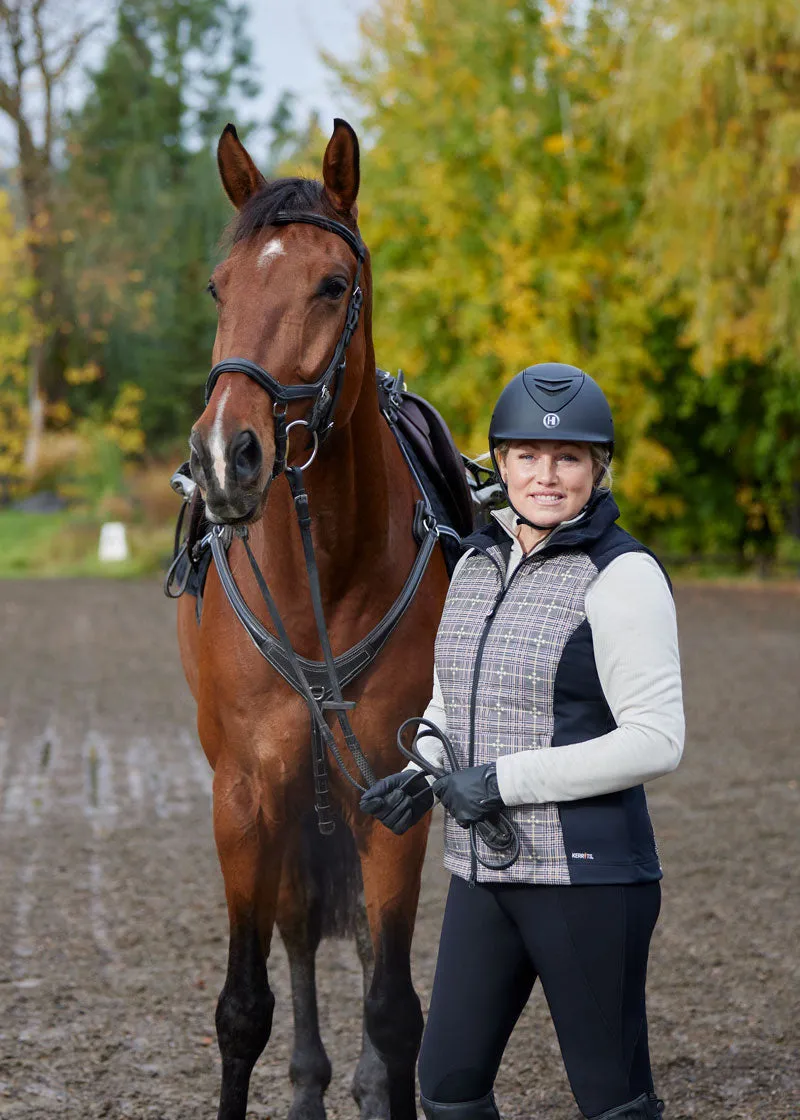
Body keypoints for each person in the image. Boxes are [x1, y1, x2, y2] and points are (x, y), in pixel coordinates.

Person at [360, 363, 685, 1120]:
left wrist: (501, 782)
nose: (546, 476)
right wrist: (422, 771)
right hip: (486, 873)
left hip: (590, 879)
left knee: (611, 1100)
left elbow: (657, 739)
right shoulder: (475, 563)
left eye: (568, 458)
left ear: (598, 469)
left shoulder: (622, 575)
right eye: (528, 458)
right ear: (499, 464)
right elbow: (454, 701)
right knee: (446, 1086)